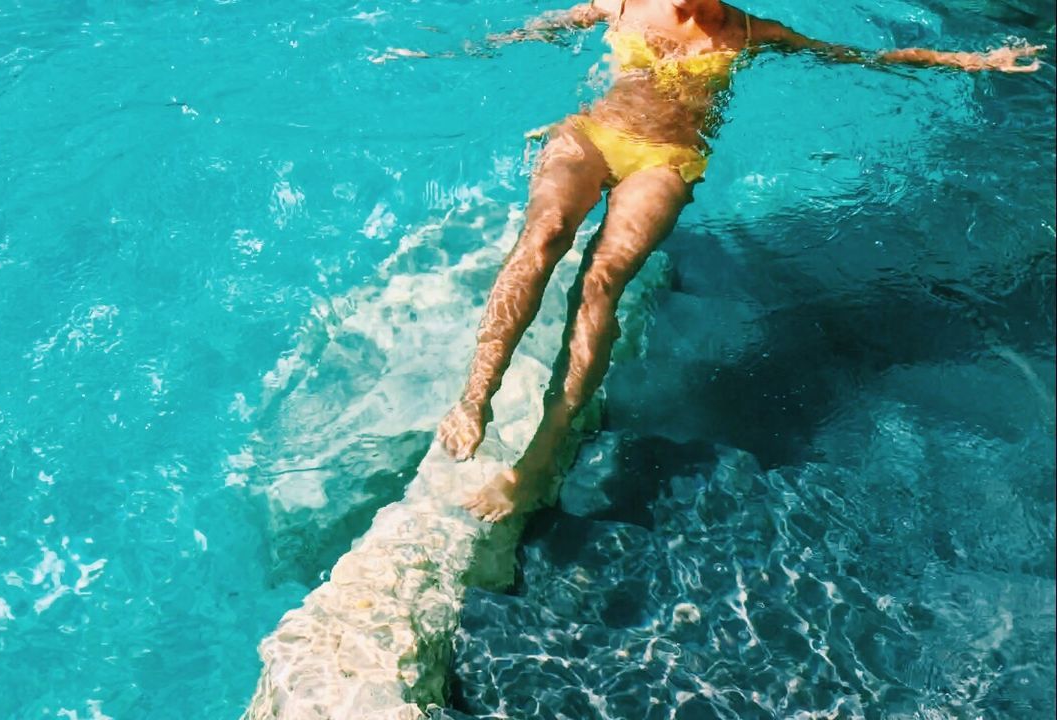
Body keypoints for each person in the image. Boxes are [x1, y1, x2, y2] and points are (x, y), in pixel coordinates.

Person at [427, 0, 1044, 522]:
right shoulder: (620, 3)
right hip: (591, 136)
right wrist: (461, 52)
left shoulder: (750, 33)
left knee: (603, 280)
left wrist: (965, 61)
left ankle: (540, 458)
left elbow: (856, 59)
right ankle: (476, 396)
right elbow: (545, 27)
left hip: (666, 160)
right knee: (544, 235)